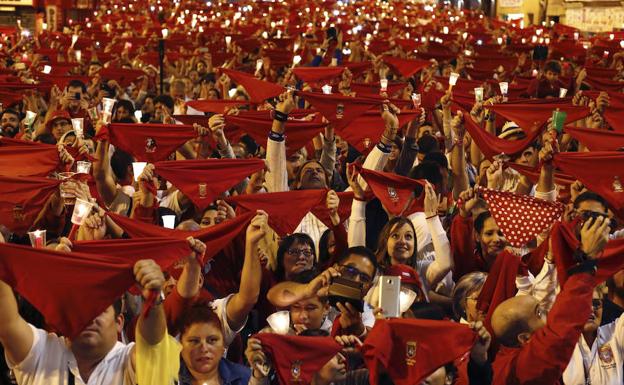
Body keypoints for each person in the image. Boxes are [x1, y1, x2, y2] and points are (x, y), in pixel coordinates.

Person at [0, 255, 169, 385]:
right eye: (80, 309)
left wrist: (154, 301)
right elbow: (7, 324)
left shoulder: (126, 360)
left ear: (119, 322)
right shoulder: (41, 350)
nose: (89, 316)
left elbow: (152, 347)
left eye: (99, 310)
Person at [490, 213, 611, 384]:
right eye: (539, 312)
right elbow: (561, 329)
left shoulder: (511, 357)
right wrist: (586, 263)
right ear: (525, 338)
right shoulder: (524, 368)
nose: (548, 310)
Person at [562, 286, 624, 385]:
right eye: (583, 304)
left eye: (596, 303)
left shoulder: (615, 332)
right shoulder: (561, 344)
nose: (591, 309)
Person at [178, 303, 251, 385]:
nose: (204, 349)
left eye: (212, 340)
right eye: (194, 341)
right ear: (180, 345)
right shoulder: (167, 379)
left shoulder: (247, 378)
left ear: (223, 344)